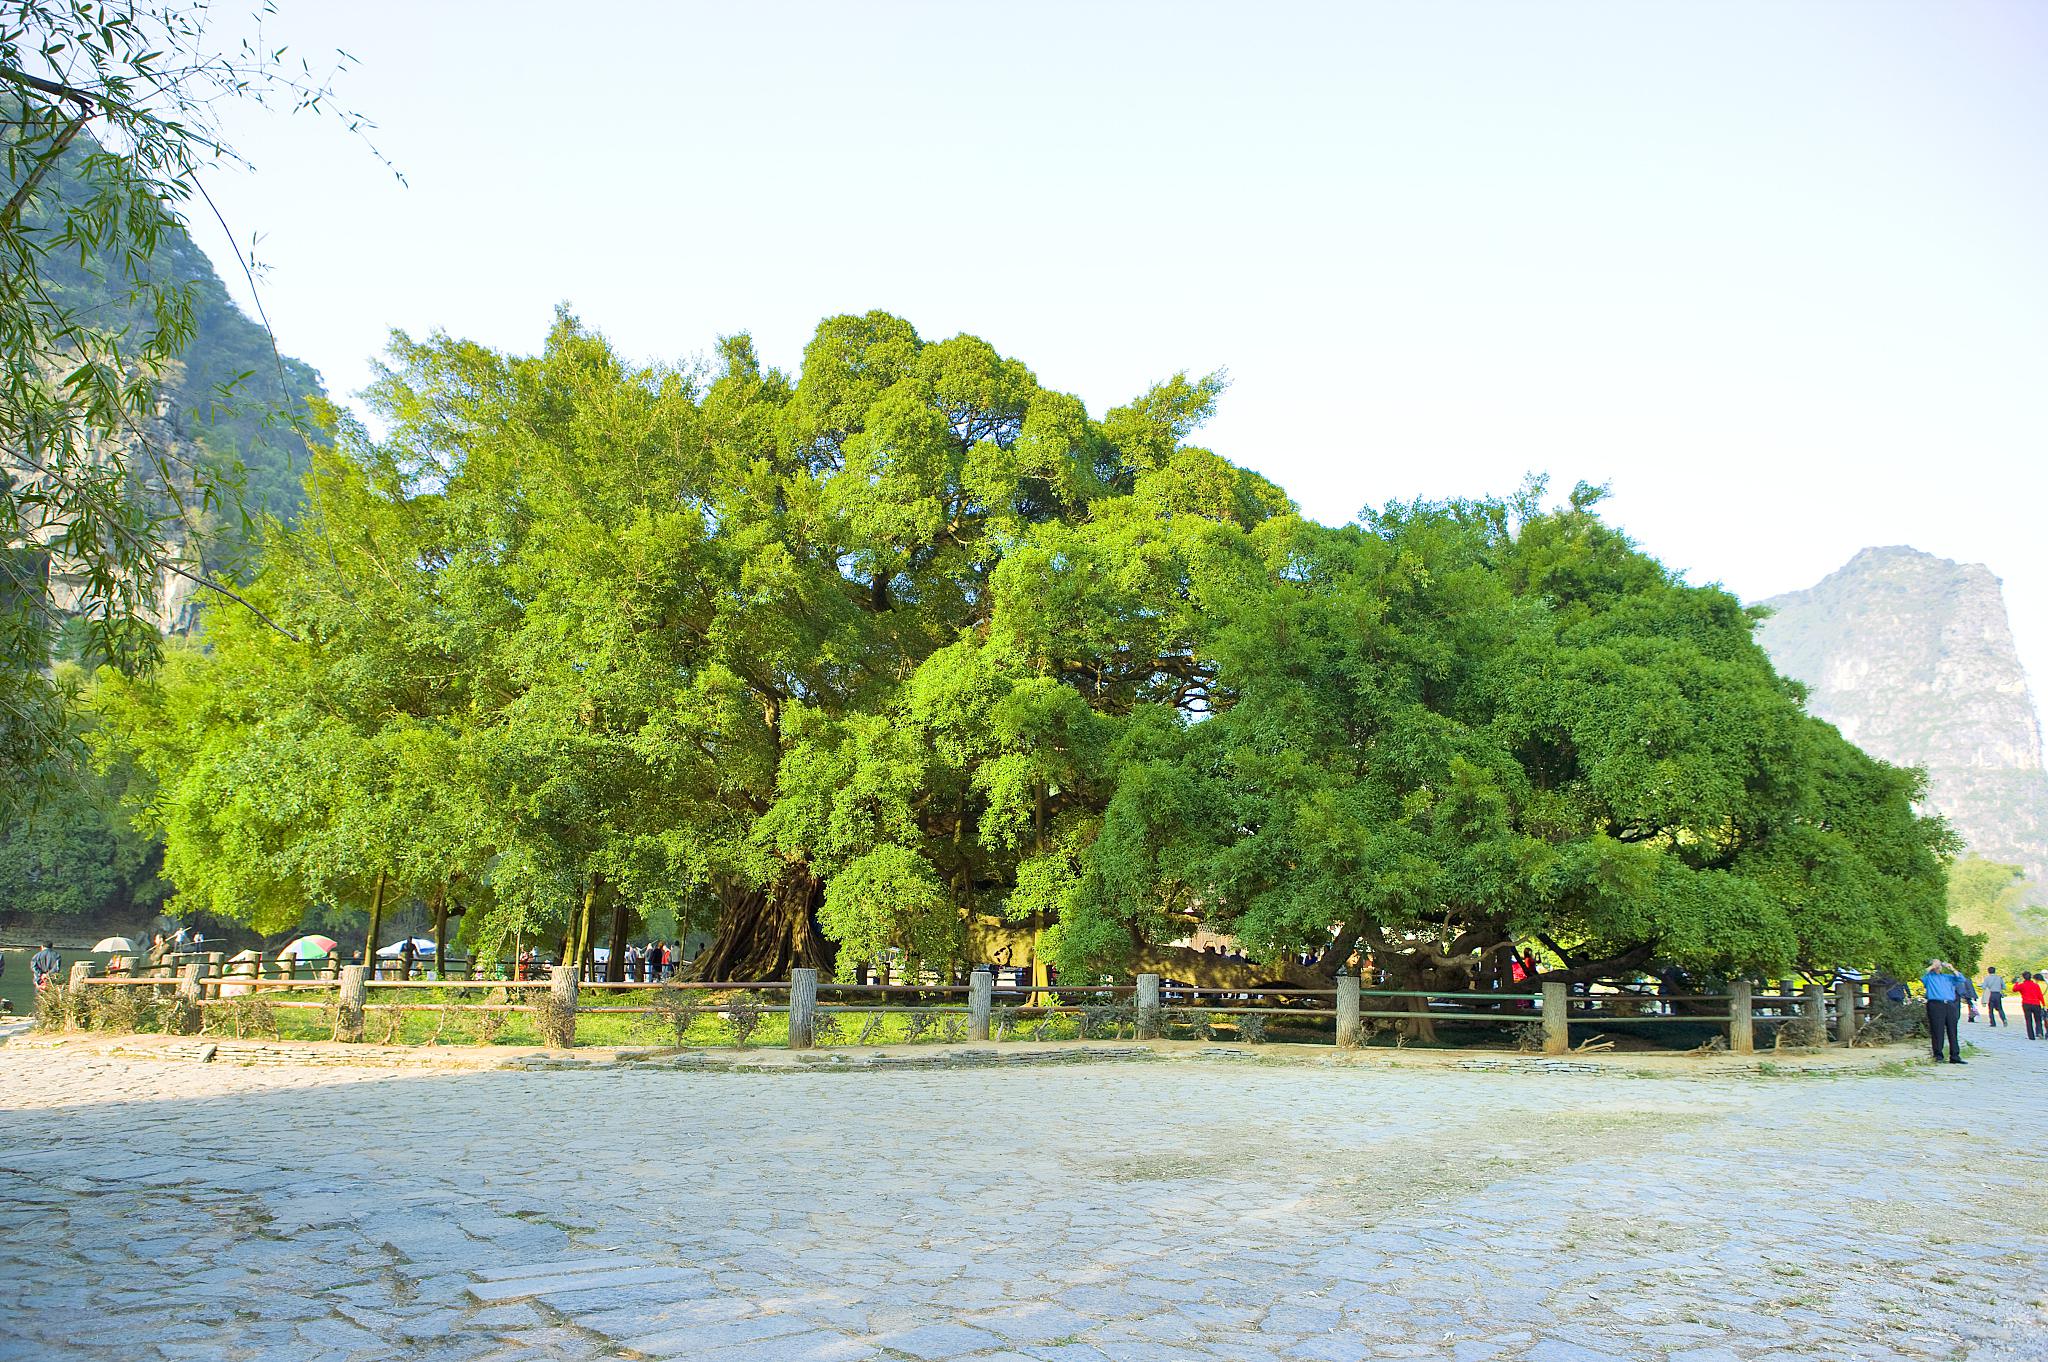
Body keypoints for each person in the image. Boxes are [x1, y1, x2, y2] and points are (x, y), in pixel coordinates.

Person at [1921, 959, 1964, 1063]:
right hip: (1936, 1004)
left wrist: (1951, 968)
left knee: (1952, 1030)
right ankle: (1938, 1055)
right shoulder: (1929, 978)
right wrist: (1932, 967)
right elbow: (1921, 975)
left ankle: (1955, 1056)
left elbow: (1961, 979)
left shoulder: (1947, 977)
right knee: (1937, 1030)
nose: (1938, 966)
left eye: (1939, 964)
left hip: (1949, 1004)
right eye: (1936, 964)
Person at [2015, 971, 2047, 1041]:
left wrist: (2017, 982)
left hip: (2026, 1004)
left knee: (2028, 1020)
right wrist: (2043, 1004)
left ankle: (2031, 1036)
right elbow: (2040, 996)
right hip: (2036, 1003)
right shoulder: (2036, 985)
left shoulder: (2022, 985)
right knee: (2038, 1020)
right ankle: (2039, 1032)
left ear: (2023, 977)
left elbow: (2014, 989)